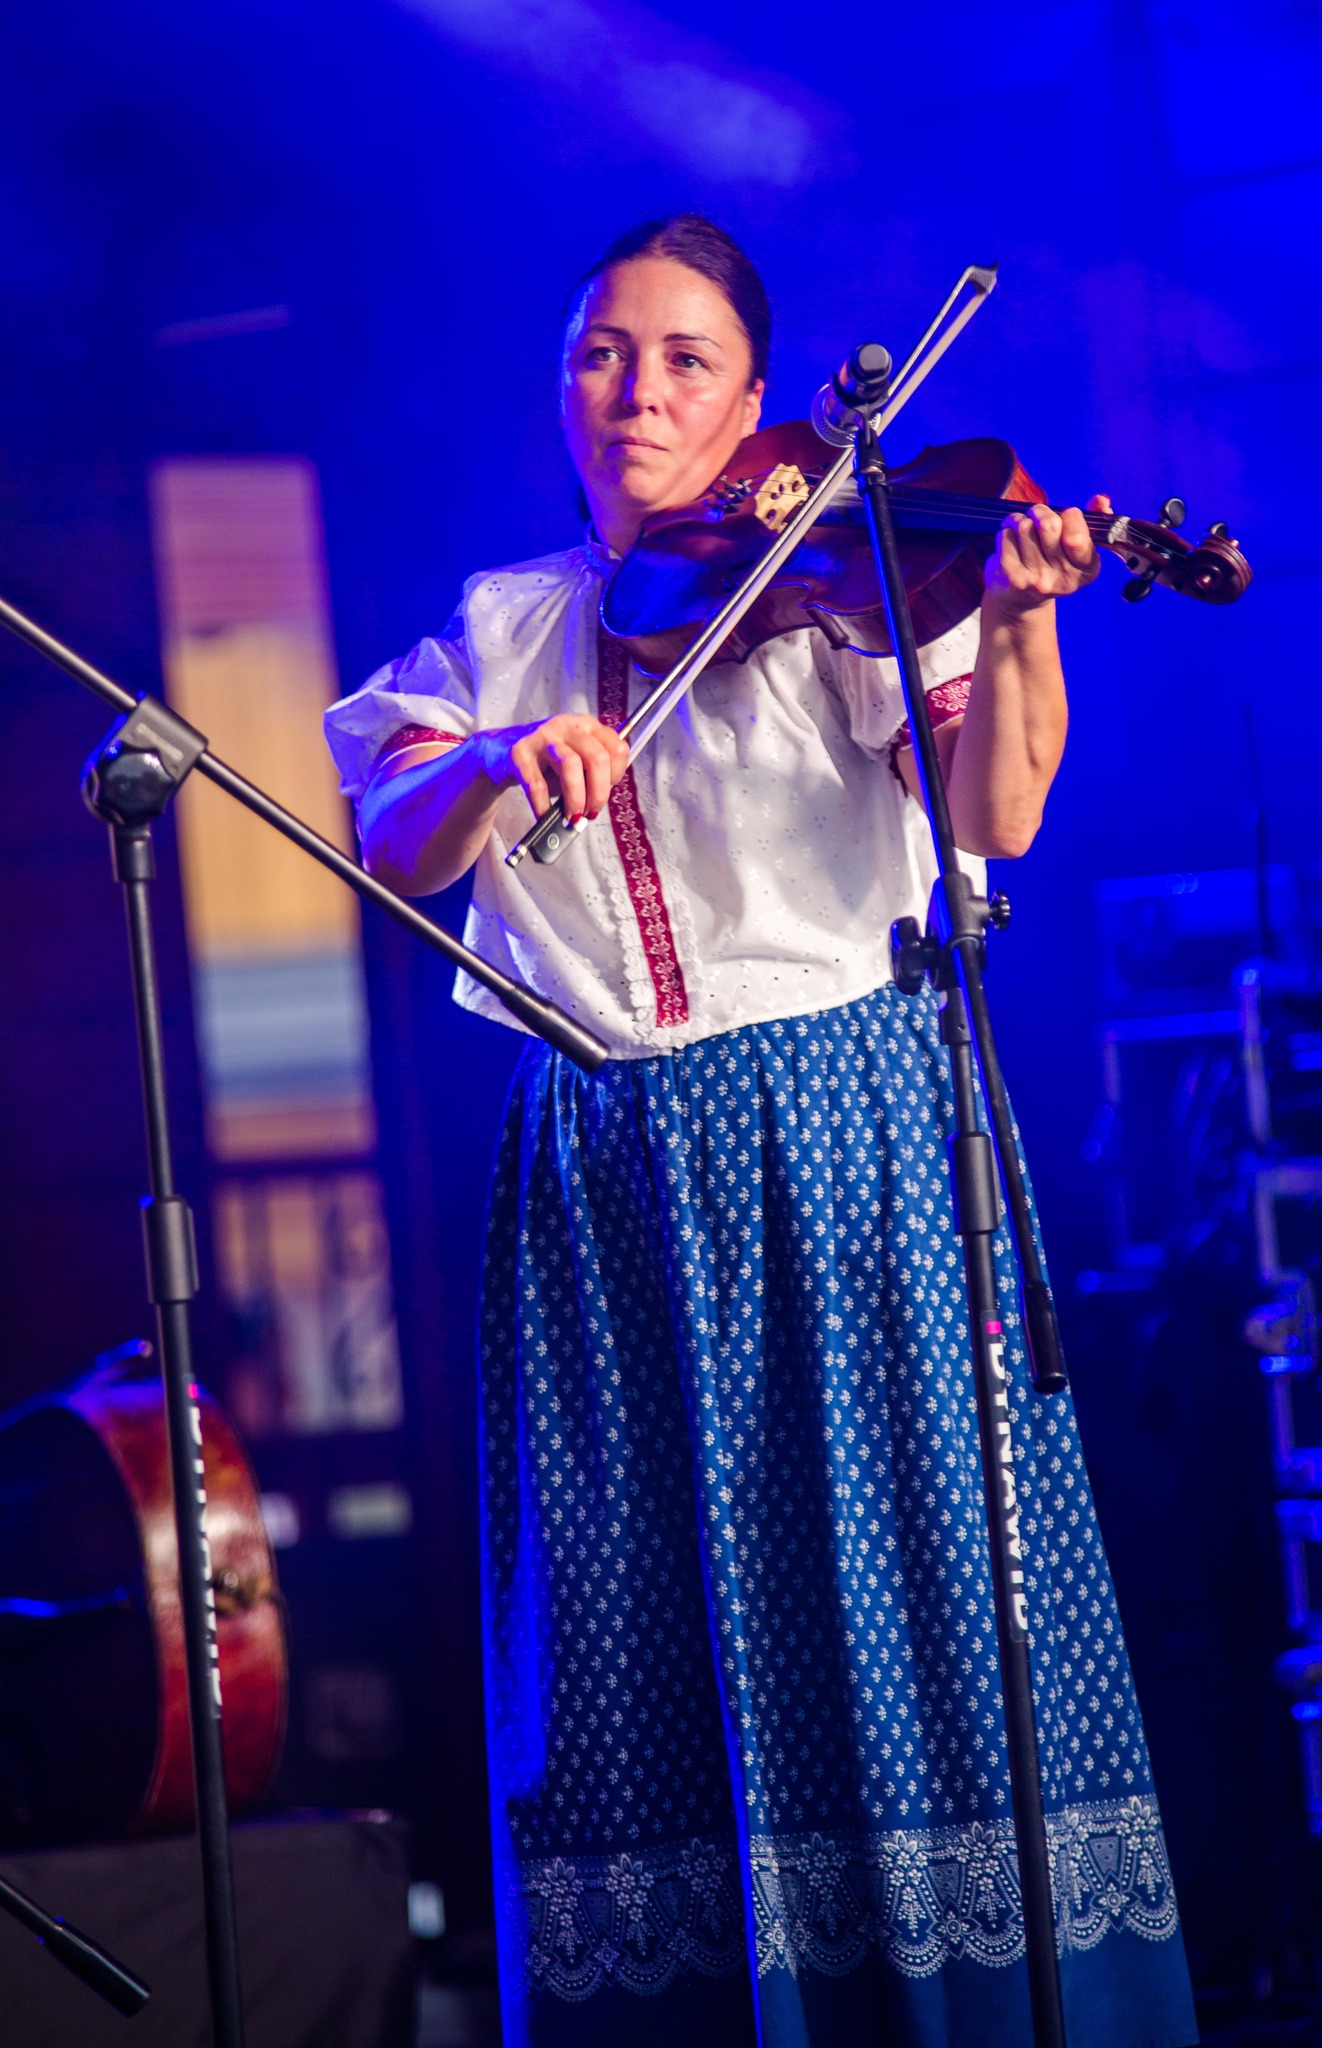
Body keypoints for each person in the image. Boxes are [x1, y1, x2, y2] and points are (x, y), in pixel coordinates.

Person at [324, 214, 1196, 2048]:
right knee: (638, 1626)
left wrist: (1021, 614)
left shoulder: (844, 579)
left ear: (758, 401)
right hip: (604, 1174)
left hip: (846, 1129)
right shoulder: (501, 627)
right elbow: (392, 847)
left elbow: (999, 816)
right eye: (603, 354)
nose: (638, 393)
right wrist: (492, 761)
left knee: (909, 1585)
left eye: (686, 360)